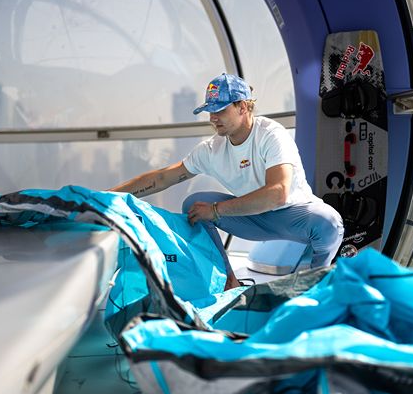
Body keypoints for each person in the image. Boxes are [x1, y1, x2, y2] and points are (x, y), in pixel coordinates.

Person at [111, 73, 344, 289]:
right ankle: (229, 281)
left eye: (220, 110)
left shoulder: (271, 134)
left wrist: (216, 210)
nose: (213, 118)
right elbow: (163, 177)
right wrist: (108, 197)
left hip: (294, 215)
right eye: (209, 111)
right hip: (252, 218)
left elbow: (277, 193)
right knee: (194, 204)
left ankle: (317, 287)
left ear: (242, 107)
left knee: (329, 223)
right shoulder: (211, 149)